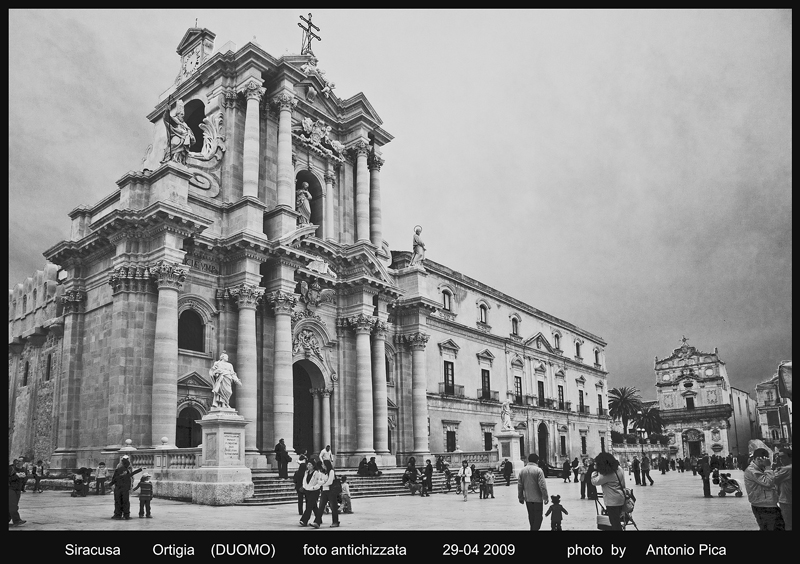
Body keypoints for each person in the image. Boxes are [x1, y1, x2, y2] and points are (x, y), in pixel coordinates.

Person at [744, 448, 784, 531]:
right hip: (763, 505)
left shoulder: (759, 468)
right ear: (759, 459)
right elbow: (768, 482)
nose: (766, 462)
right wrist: (768, 467)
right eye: (765, 460)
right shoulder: (752, 470)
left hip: (767, 503)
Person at [591, 452, 626, 531]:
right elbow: (623, 484)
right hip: (620, 498)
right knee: (617, 521)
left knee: (614, 523)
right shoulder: (619, 469)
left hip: (612, 501)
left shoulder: (607, 475)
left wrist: (594, 472)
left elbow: (595, 481)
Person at [518, 453, 549, 531]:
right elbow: (542, 485)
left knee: (531, 516)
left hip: (528, 498)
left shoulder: (522, 470)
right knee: (538, 517)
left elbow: (520, 485)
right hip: (537, 498)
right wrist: (545, 497)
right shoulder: (538, 470)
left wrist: (520, 497)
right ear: (537, 461)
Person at [162, 100, 195, 165]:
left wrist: (190, 135)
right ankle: (170, 159)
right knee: (172, 149)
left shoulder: (184, 124)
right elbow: (166, 119)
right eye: (181, 114)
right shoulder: (174, 120)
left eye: (183, 114)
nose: (183, 116)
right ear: (178, 114)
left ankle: (178, 161)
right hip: (176, 138)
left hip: (183, 140)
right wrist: (167, 111)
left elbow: (190, 132)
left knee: (181, 153)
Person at [110, 455, 139, 520]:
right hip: (124, 488)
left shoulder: (119, 469)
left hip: (119, 487)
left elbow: (114, 479)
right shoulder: (128, 469)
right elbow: (130, 479)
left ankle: (118, 514)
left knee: (118, 501)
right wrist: (130, 487)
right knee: (125, 501)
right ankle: (126, 515)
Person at [315, 460, 340, 528]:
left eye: (323, 464)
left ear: (326, 465)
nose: (322, 465)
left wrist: (323, 483)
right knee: (321, 507)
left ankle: (335, 522)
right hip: (324, 491)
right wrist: (323, 483)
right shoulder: (322, 472)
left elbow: (330, 482)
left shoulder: (331, 471)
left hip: (331, 491)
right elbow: (319, 481)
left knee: (333, 507)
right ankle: (317, 522)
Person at [299, 460, 322, 528]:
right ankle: (319, 519)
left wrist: (315, 487)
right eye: (308, 464)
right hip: (307, 490)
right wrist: (304, 487)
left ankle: (304, 520)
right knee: (313, 506)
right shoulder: (306, 472)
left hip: (314, 491)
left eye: (310, 465)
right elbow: (304, 480)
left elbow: (319, 482)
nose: (308, 466)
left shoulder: (317, 473)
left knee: (309, 506)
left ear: (313, 466)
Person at [773, 448, 792, 531]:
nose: (780, 459)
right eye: (779, 457)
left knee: (787, 525)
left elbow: (771, 479)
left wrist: (766, 467)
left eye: (783, 457)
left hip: (787, 501)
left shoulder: (787, 469)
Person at [9, 457, 27, 527]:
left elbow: (24, 480)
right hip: (10, 489)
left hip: (18, 489)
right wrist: (16, 476)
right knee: (13, 505)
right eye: (17, 461)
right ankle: (17, 520)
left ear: (23, 462)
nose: (18, 462)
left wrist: (24, 478)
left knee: (13, 505)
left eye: (20, 461)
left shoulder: (24, 469)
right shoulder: (11, 468)